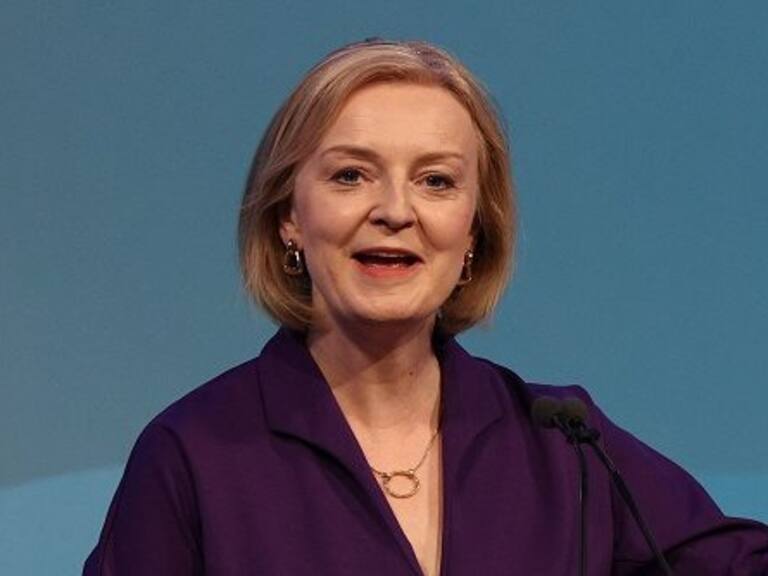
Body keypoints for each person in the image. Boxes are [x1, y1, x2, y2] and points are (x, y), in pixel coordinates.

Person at [84, 39, 768, 575]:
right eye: (350, 175)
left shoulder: (563, 448)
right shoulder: (194, 454)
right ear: (288, 216)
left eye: (436, 181)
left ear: (474, 231)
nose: (394, 211)